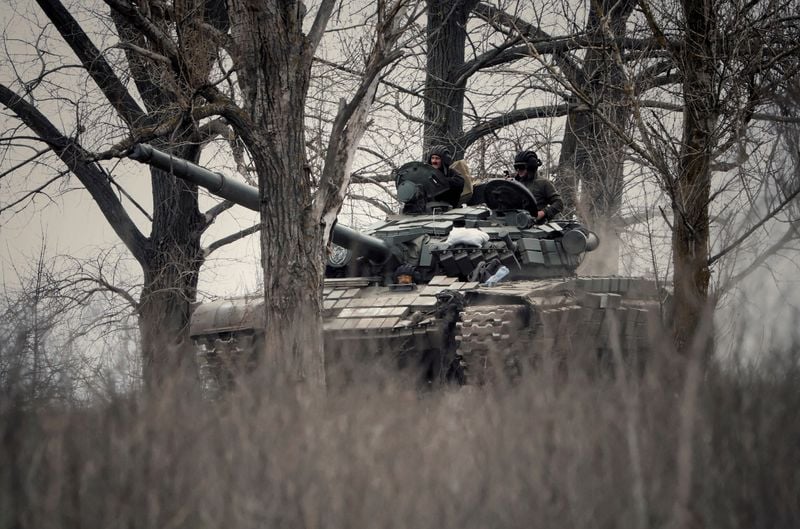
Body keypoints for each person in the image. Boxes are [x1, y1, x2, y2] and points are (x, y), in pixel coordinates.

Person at [513, 150, 563, 222]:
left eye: (521, 167)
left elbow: (558, 203)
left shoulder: (543, 183)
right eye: (516, 167)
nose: (518, 170)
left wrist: (543, 213)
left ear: (530, 167)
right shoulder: (514, 183)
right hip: (514, 222)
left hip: (536, 224)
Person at [426, 145, 465, 209]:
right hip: (428, 209)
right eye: (432, 158)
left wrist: (441, 180)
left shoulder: (451, 173)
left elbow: (460, 182)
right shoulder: (426, 174)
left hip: (448, 209)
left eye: (437, 158)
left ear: (444, 160)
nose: (434, 161)